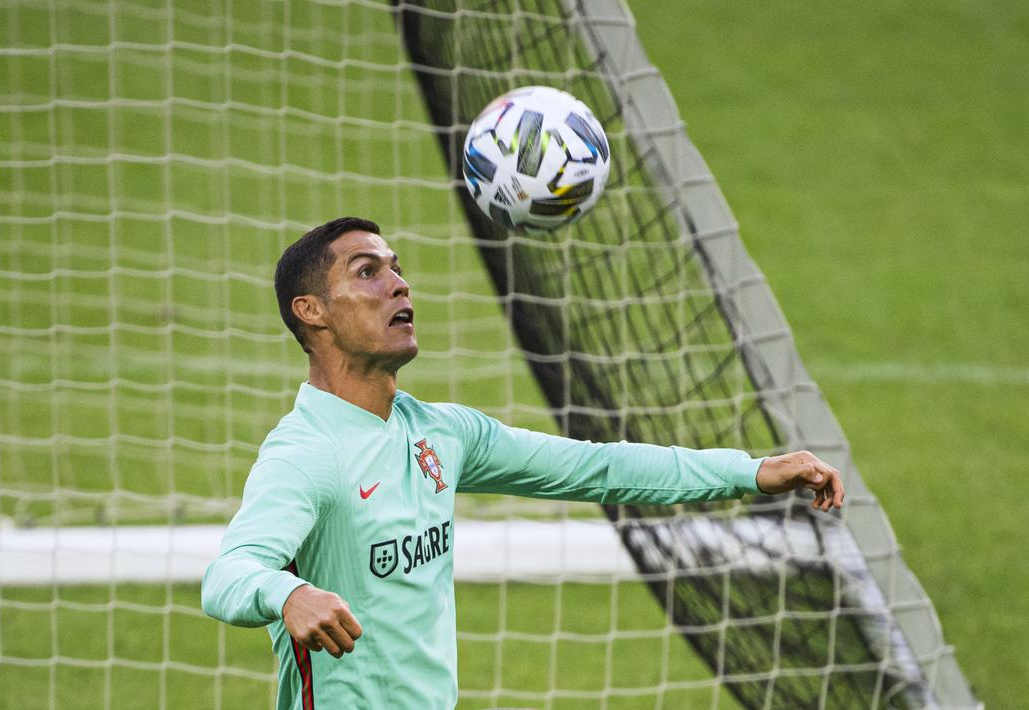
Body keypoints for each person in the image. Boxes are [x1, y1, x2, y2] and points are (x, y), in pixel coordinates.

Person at [200, 217, 844, 709]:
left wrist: (750, 471)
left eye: (397, 268)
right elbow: (228, 574)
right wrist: (288, 592)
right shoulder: (306, 454)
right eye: (367, 272)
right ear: (310, 312)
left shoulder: (440, 433)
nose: (399, 284)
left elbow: (597, 468)